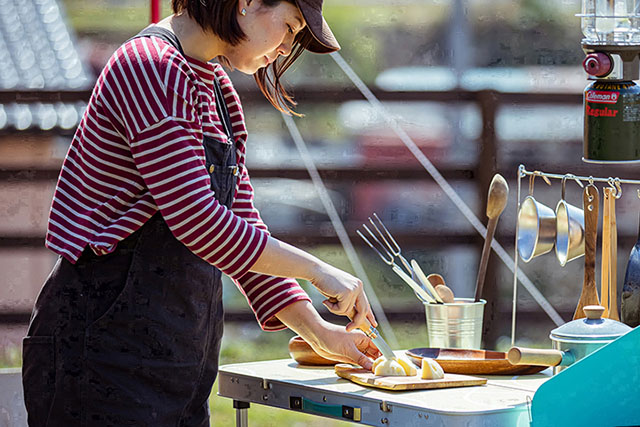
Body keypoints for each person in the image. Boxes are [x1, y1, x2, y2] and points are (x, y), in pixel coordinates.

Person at [21, 0, 382, 425]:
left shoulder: (216, 88)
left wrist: (319, 333)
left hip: (175, 364)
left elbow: (242, 228)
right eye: (289, 26)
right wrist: (319, 270)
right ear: (247, 3)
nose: (286, 47)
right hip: (99, 358)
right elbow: (200, 222)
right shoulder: (149, 68)